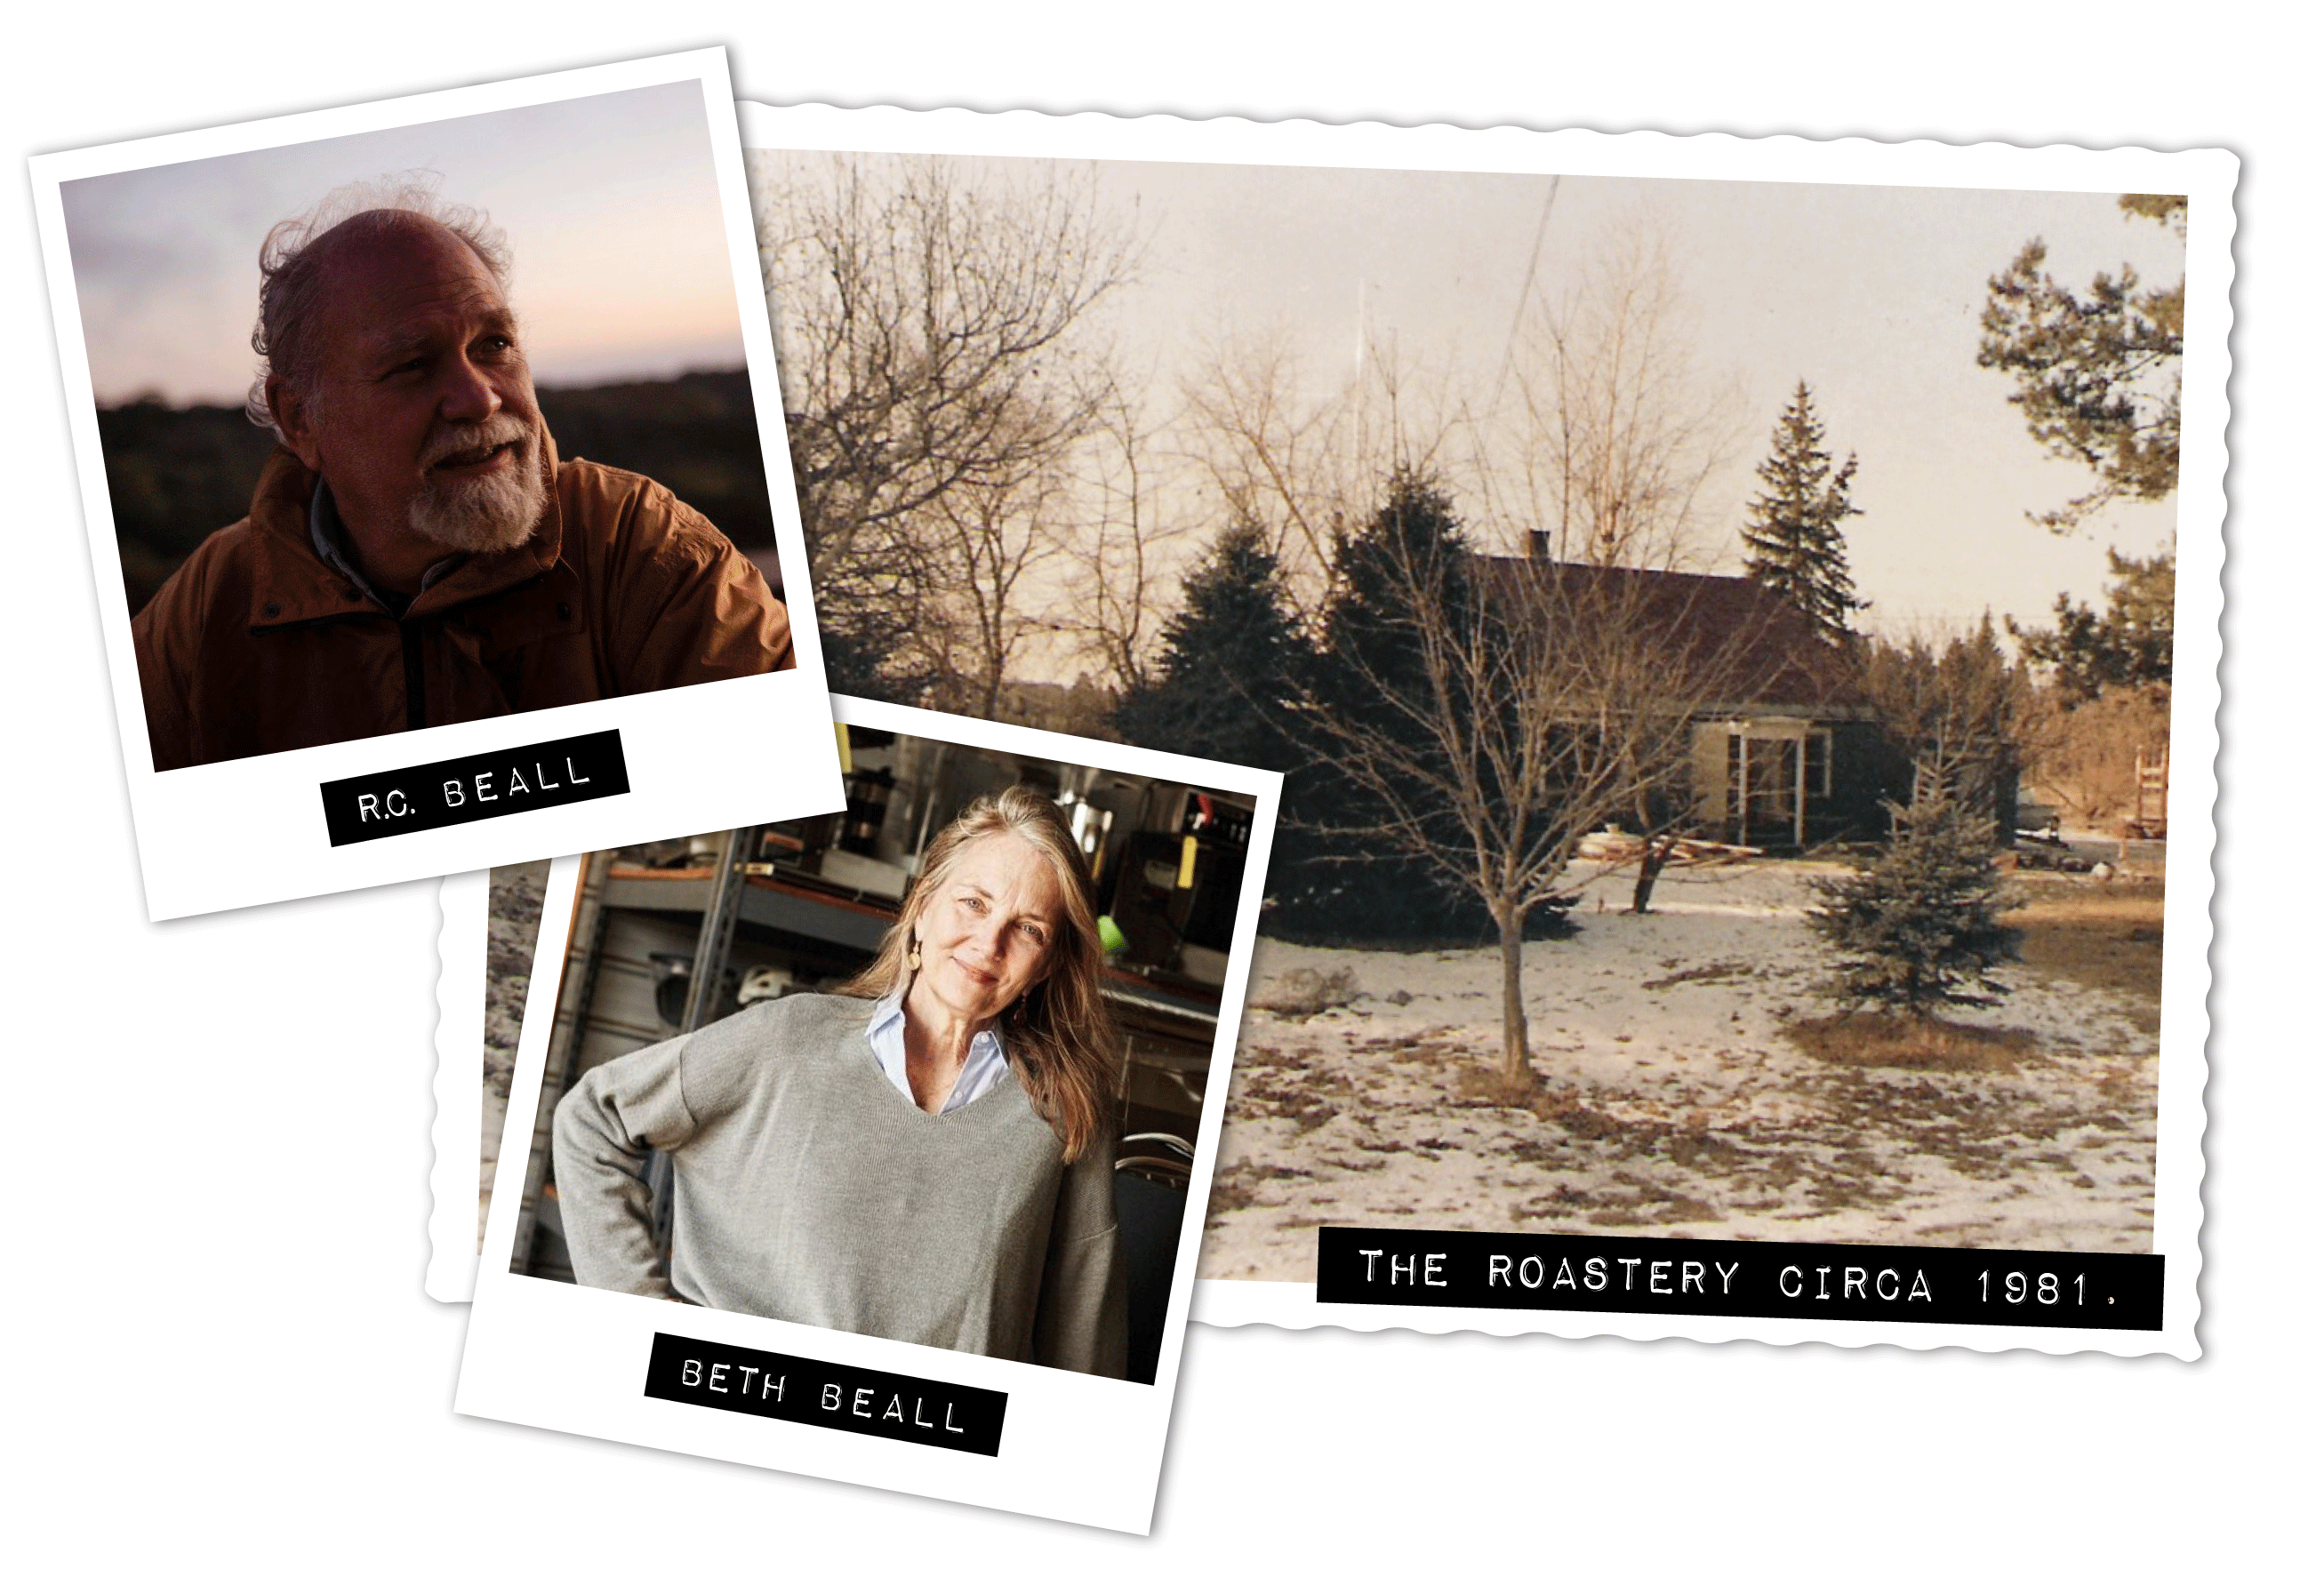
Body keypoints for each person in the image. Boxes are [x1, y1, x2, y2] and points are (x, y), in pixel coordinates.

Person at [129, 180, 792, 772]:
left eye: (494, 346)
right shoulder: (210, 606)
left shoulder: (640, 545)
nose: (479, 398)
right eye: (413, 365)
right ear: (300, 418)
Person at [553, 787, 1129, 1378]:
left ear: (1050, 963)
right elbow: (594, 1118)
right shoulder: (789, 1038)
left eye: (1028, 928)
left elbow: (1085, 1336)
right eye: (973, 904)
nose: (989, 943)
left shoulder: (1064, 1112)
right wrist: (636, 1314)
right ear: (923, 907)